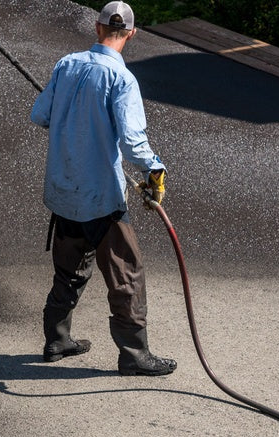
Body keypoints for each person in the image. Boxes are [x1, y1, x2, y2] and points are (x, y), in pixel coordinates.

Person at [30, 1, 176, 376]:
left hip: (63, 193)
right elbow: (131, 141)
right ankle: (134, 355)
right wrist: (154, 169)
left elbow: (40, 115)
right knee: (127, 275)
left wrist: (68, 114)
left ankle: (57, 339)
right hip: (101, 200)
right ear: (131, 34)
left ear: (96, 29)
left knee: (68, 270)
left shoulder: (66, 65)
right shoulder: (122, 80)